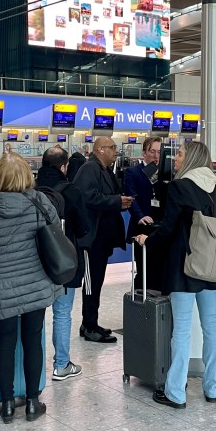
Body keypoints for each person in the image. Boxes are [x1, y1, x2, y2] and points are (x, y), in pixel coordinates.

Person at [133, 141, 216, 409]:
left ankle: (176, 392)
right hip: (210, 264)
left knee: (182, 331)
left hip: (184, 266)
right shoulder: (214, 186)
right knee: (211, 326)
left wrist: (146, 241)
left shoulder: (180, 185)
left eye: (180, 154)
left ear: (191, 158)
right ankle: (212, 388)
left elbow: (169, 228)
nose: (175, 158)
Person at [0, 153, 61, 420]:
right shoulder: (39, 201)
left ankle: (5, 403)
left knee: (4, 342)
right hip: (34, 282)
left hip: (1, 285)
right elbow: (55, 229)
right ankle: (31, 402)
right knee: (32, 340)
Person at [35, 146, 92, 381]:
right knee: (62, 313)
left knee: (36, 316)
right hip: (63, 262)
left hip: (35, 261)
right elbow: (83, 227)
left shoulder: (31, 190)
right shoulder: (71, 191)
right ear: (63, 167)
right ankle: (61, 365)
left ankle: (35, 369)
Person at [72, 138, 133, 343]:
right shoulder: (89, 169)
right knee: (91, 283)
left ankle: (91, 322)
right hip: (92, 239)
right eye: (112, 148)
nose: (116, 151)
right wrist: (116, 201)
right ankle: (89, 326)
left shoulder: (105, 170)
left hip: (102, 238)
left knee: (96, 283)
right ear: (100, 149)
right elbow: (87, 197)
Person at [123, 137, 163, 290]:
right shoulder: (132, 173)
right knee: (143, 270)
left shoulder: (164, 174)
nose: (155, 155)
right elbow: (131, 198)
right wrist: (140, 216)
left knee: (158, 270)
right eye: (152, 151)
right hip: (141, 228)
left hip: (159, 228)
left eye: (159, 152)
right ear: (144, 152)